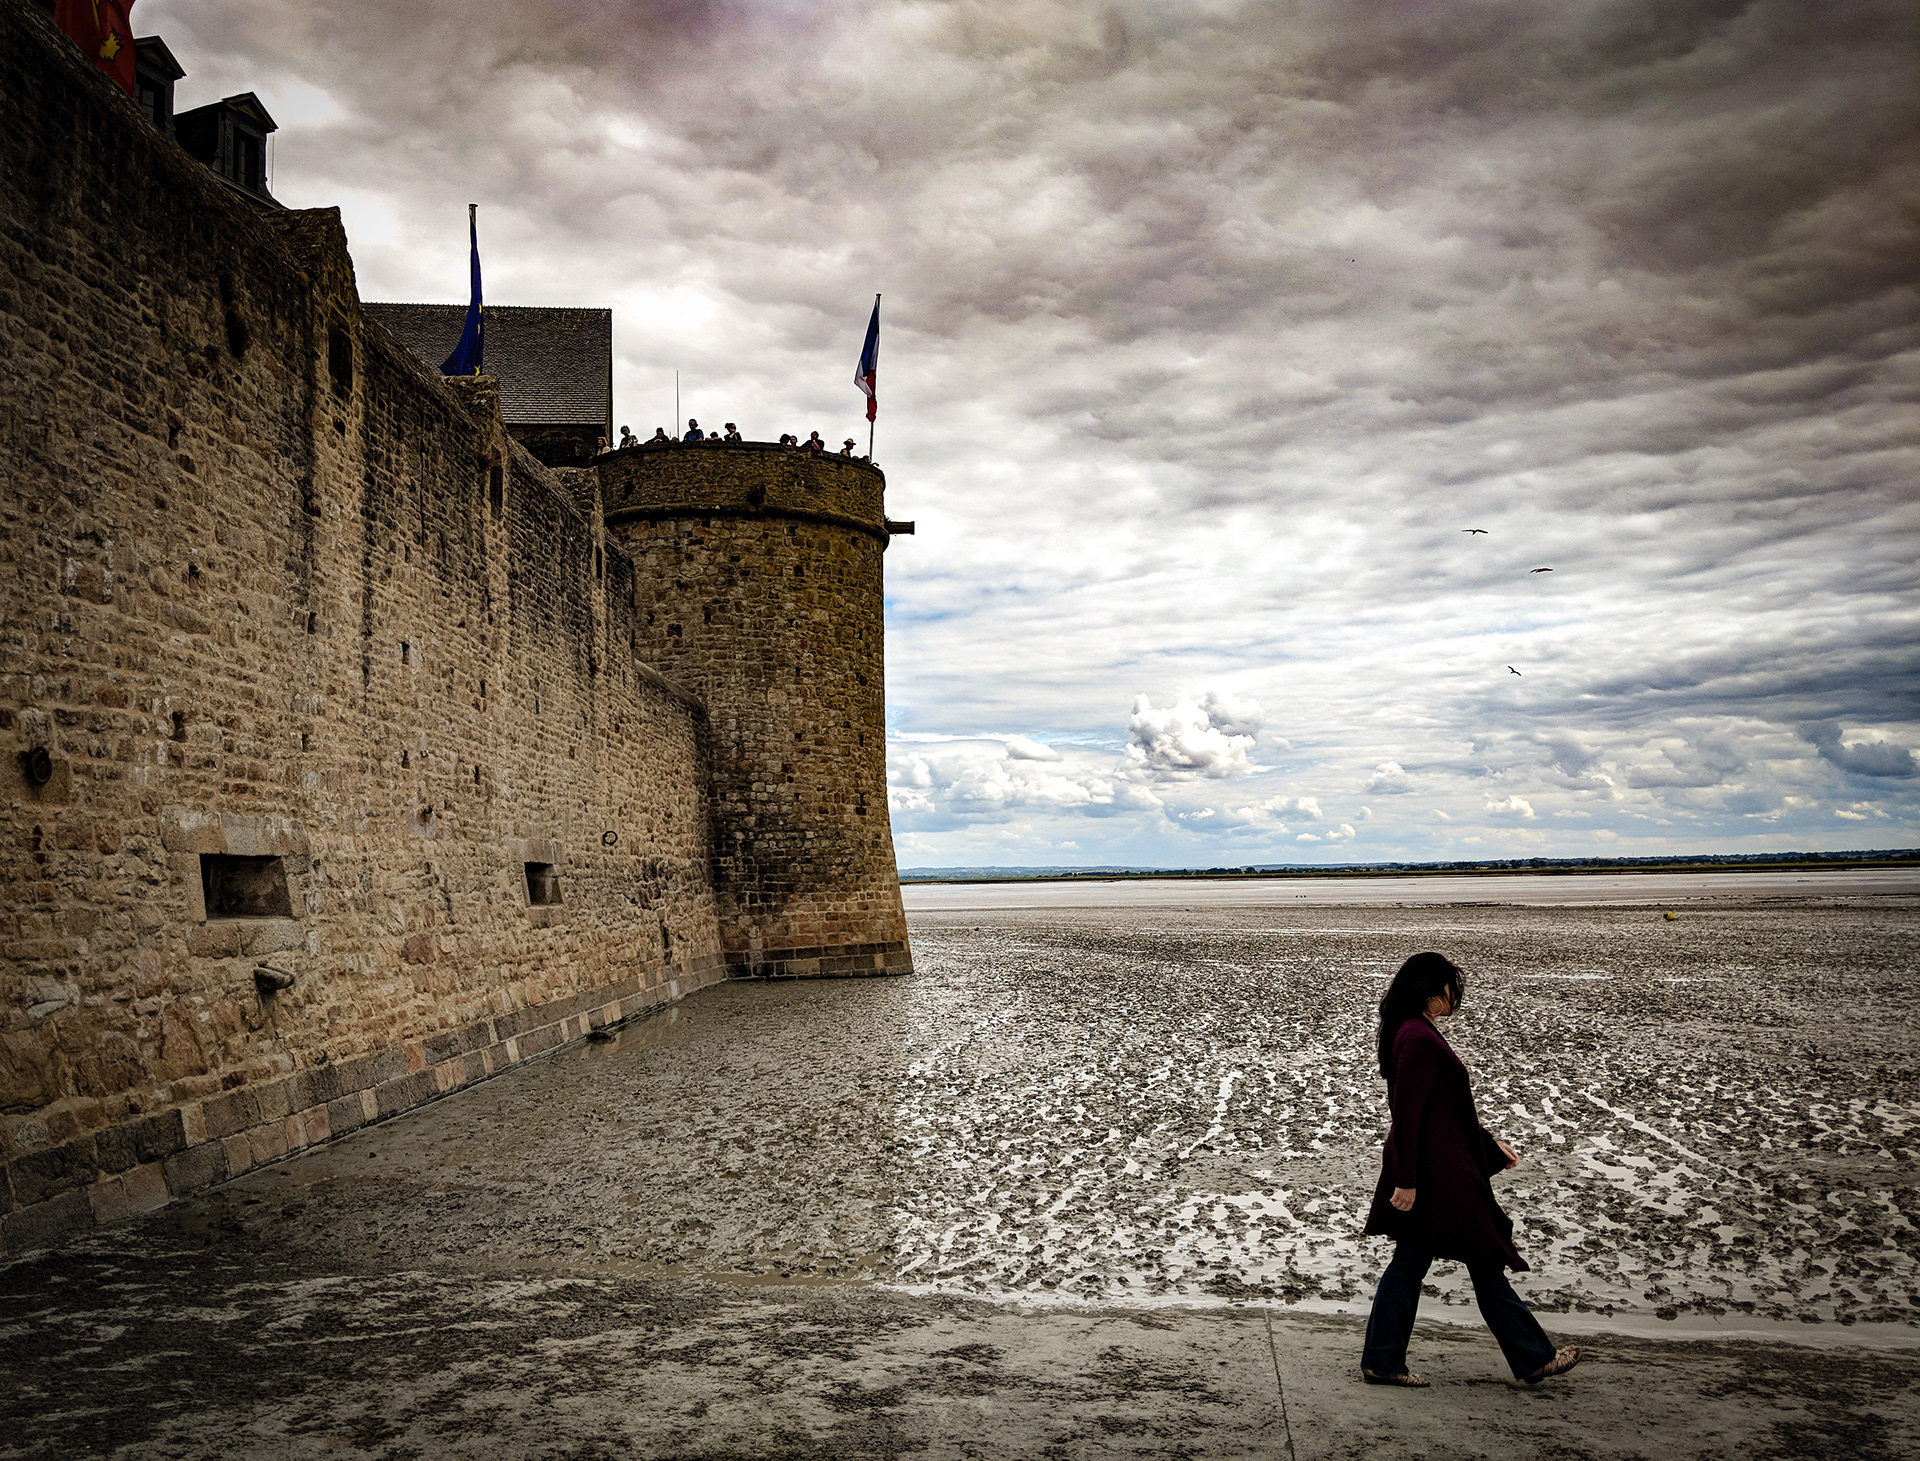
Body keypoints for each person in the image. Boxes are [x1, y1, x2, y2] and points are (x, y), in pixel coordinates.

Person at [1360, 952, 1580, 1388]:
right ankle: (1534, 1357)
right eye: (1451, 987)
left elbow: (1444, 1110)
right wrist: (1407, 1181)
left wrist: (1489, 1145)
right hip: (1438, 1175)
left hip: (1437, 1166)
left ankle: (1383, 1360)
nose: (1455, 996)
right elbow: (1408, 1114)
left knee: (1414, 1261)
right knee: (1482, 1255)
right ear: (1432, 990)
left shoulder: (1413, 1030)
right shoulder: (1417, 1037)